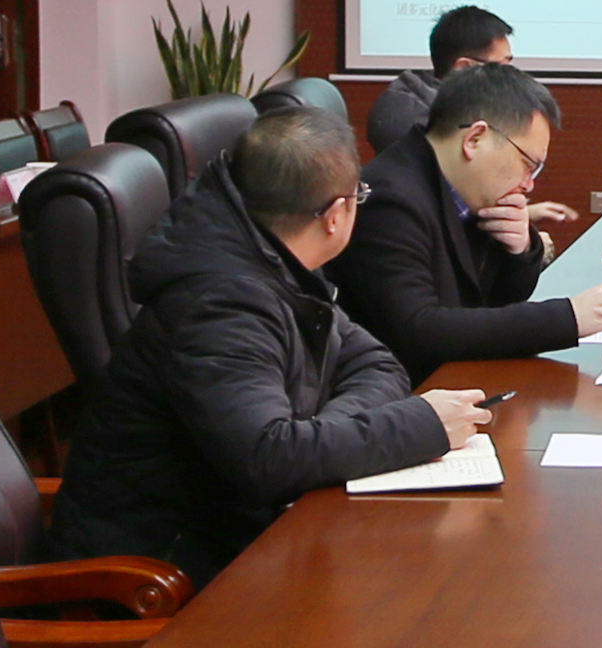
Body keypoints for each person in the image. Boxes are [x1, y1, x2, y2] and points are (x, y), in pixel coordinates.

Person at [46, 108, 493, 585]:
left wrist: (321, 435)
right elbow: (267, 457)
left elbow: (376, 362)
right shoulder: (222, 303)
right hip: (156, 577)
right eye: (358, 196)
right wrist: (420, 425)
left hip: (236, 540)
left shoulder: (273, 258)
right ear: (335, 215)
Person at [329, 63, 602, 379]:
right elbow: (420, 331)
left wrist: (519, 249)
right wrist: (568, 317)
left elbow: (492, 305)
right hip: (400, 391)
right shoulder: (391, 201)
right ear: (474, 139)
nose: (529, 184)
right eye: (528, 164)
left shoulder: (460, 189)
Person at [368, 3, 510, 157]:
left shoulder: (478, 103)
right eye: (500, 67)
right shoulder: (406, 117)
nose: (510, 76)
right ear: (463, 67)